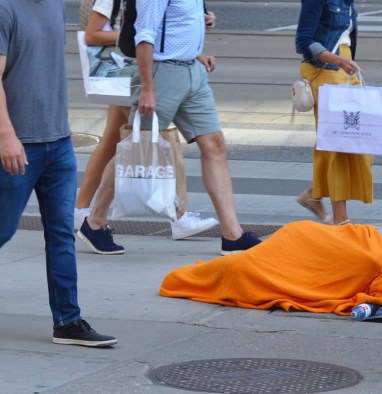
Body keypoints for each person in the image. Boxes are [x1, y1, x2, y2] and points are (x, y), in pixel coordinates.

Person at [0, 0, 116, 347]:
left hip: (59, 143)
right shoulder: (6, 8)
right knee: (3, 230)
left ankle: (67, 320)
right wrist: (6, 137)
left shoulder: (53, 5)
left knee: (62, 234)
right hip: (19, 146)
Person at [75, 0, 219, 254]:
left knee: (116, 141)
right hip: (129, 69)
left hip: (138, 68)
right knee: (141, 139)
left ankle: (82, 211)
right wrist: (140, 37)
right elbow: (92, 33)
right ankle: (177, 214)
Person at [131, 0, 261, 255]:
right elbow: (145, 34)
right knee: (137, 149)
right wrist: (147, 87)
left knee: (214, 142)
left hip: (193, 70)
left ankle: (232, 234)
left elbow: (178, 22)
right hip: (163, 73)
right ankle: (96, 220)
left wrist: (202, 22)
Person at [160, 221, 382, 314]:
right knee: (237, 268)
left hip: (301, 262)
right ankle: (196, 276)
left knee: (237, 271)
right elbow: (349, 237)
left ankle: (206, 274)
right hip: (298, 243)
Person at [295, 0, 373, 226]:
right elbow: (303, 41)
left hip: (346, 72)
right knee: (339, 147)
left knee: (364, 142)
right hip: (326, 72)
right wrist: (338, 60)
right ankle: (341, 218)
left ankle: (313, 195)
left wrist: (344, 61)